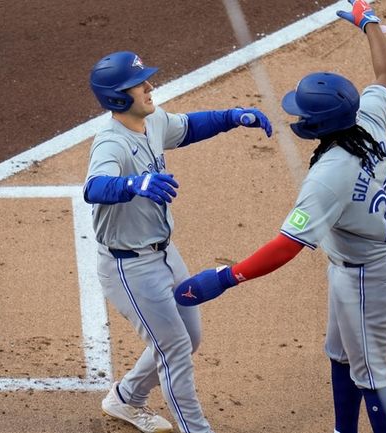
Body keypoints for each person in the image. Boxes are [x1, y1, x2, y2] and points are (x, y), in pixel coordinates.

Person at [173, 2, 386, 433]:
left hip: (369, 277)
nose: (297, 116)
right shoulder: (368, 120)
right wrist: (370, 24)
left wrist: (225, 278)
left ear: (319, 125)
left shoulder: (329, 177)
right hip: (380, 255)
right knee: (339, 352)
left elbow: (288, 246)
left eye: (303, 113)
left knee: (374, 376)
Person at [83, 50, 273, 433]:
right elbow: (94, 188)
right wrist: (132, 184)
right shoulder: (111, 143)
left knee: (189, 338)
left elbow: (188, 127)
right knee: (175, 352)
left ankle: (125, 399)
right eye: (139, 84)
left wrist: (232, 117)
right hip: (130, 267)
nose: (149, 86)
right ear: (118, 98)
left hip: (165, 254)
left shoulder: (151, 122)